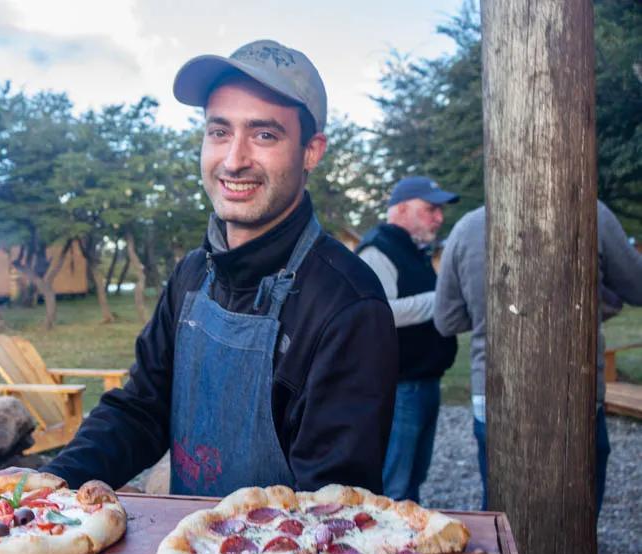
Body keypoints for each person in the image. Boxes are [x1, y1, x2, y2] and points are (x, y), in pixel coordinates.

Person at [41, 40, 397, 496]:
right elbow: (141, 410)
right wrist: (57, 480)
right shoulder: (191, 275)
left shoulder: (348, 306)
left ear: (311, 151)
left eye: (264, 135)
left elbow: (332, 511)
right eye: (219, 132)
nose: (234, 160)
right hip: (187, 552)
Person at [433, 201, 642, 515]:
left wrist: (490, 316)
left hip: (495, 391)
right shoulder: (591, 213)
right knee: (578, 503)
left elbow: (446, 320)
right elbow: (636, 288)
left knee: (502, 502)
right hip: (575, 389)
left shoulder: (466, 228)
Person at [355, 177, 459, 502]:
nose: (438, 217)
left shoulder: (413, 250)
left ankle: (411, 544)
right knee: (395, 486)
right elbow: (380, 312)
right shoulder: (377, 250)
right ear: (400, 209)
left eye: (439, 210)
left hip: (424, 382)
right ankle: (388, 551)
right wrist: (442, 299)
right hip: (400, 388)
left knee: (414, 476)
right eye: (430, 209)